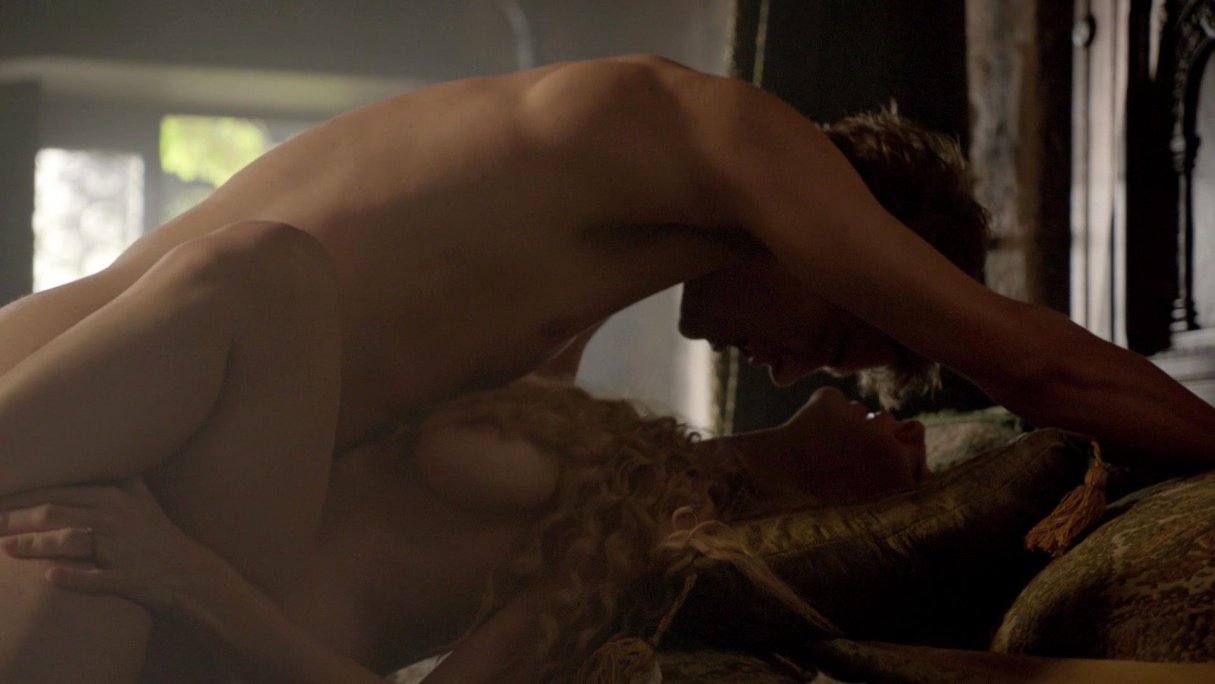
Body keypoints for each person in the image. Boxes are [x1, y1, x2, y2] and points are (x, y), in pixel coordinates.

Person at [1, 52, 1213, 678]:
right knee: (262, 271)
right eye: (844, 340)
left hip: (169, 483)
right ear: (852, 236)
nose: (798, 370)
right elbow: (1032, 362)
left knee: (262, 281)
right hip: (91, 395)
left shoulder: (567, 346)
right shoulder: (716, 134)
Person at [0, 379, 920, 683]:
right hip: (177, 529)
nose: (911, 424)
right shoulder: (625, 436)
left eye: (920, 461)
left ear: (845, 512)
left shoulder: (637, 548)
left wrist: (186, 580)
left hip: (206, 629)